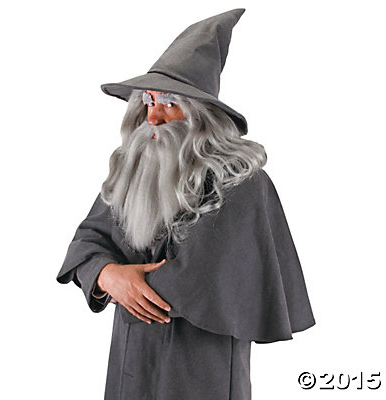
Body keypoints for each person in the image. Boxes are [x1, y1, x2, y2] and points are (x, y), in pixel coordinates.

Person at [56, 9, 315, 400]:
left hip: (200, 374)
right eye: (149, 101)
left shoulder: (242, 183)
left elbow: (204, 278)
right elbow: (88, 240)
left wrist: (127, 281)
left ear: (201, 116)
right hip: (130, 370)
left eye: (169, 103)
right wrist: (108, 275)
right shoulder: (136, 170)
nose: (154, 117)